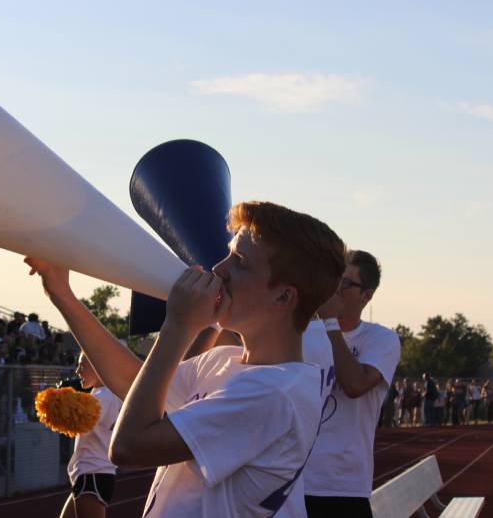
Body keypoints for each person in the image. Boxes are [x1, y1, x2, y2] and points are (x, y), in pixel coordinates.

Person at [27, 201, 347, 517]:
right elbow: (133, 382)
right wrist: (61, 293)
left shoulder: (273, 393)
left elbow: (129, 446)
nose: (219, 269)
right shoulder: (227, 361)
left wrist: (178, 327)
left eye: (239, 261)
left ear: (283, 296)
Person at [303, 250, 401, 517]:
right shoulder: (303, 333)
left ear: (366, 295)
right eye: (333, 279)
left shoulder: (381, 339)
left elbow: (355, 384)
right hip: (292, 480)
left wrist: (329, 323)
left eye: (344, 283)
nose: (334, 289)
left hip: (341, 486)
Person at [60, 353, 122, 518]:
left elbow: (75, 423)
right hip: (91, 472)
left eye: (83, 366)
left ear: (99, 367)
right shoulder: (104, 392)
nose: (78, 371)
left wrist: (57, 404)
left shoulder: (103, 397)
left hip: (92, 472)